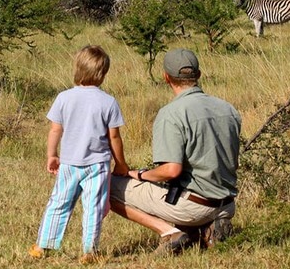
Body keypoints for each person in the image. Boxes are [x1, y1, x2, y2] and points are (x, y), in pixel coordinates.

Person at [110, 48, 241, 255]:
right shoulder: (228, 108)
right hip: (227, 204)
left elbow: (171, 170)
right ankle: (208, 228)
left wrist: (141, 175)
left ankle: (170, 232)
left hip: (194, 206)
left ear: (166, 77)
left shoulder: (171, 113)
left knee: (106, 186)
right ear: (198, 75)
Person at [29, 45, 129, 265]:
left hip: (69, 163)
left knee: (59, 203)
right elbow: (114, 137)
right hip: (98, 165)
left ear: (77, 68)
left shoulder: (64, 97)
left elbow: (55, 130)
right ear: (102, 73)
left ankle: (42, 245)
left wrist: (51, 155)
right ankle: (89, 250)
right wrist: (121, 164)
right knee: (94, 207)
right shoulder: (108, 101)